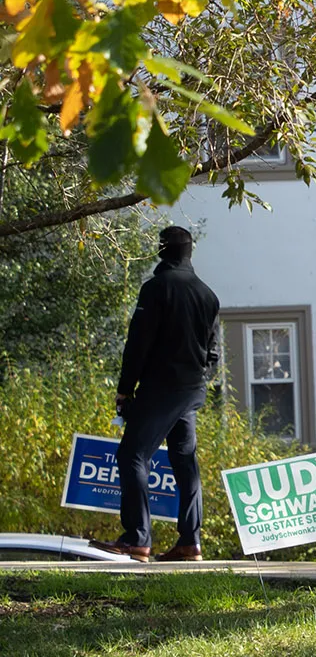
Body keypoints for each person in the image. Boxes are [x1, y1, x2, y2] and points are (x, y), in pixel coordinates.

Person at [98, 225, 220, 561]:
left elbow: (138, 344)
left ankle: (137, 538)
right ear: (190, 252)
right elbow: (213, 353)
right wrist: (199, 379)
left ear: (162, 251)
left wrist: (125, 391)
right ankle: (189, 542)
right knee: (184, 461)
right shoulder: (208, 295)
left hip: (162, 388)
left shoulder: (155, 289)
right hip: (191, 390)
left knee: (132, 456)